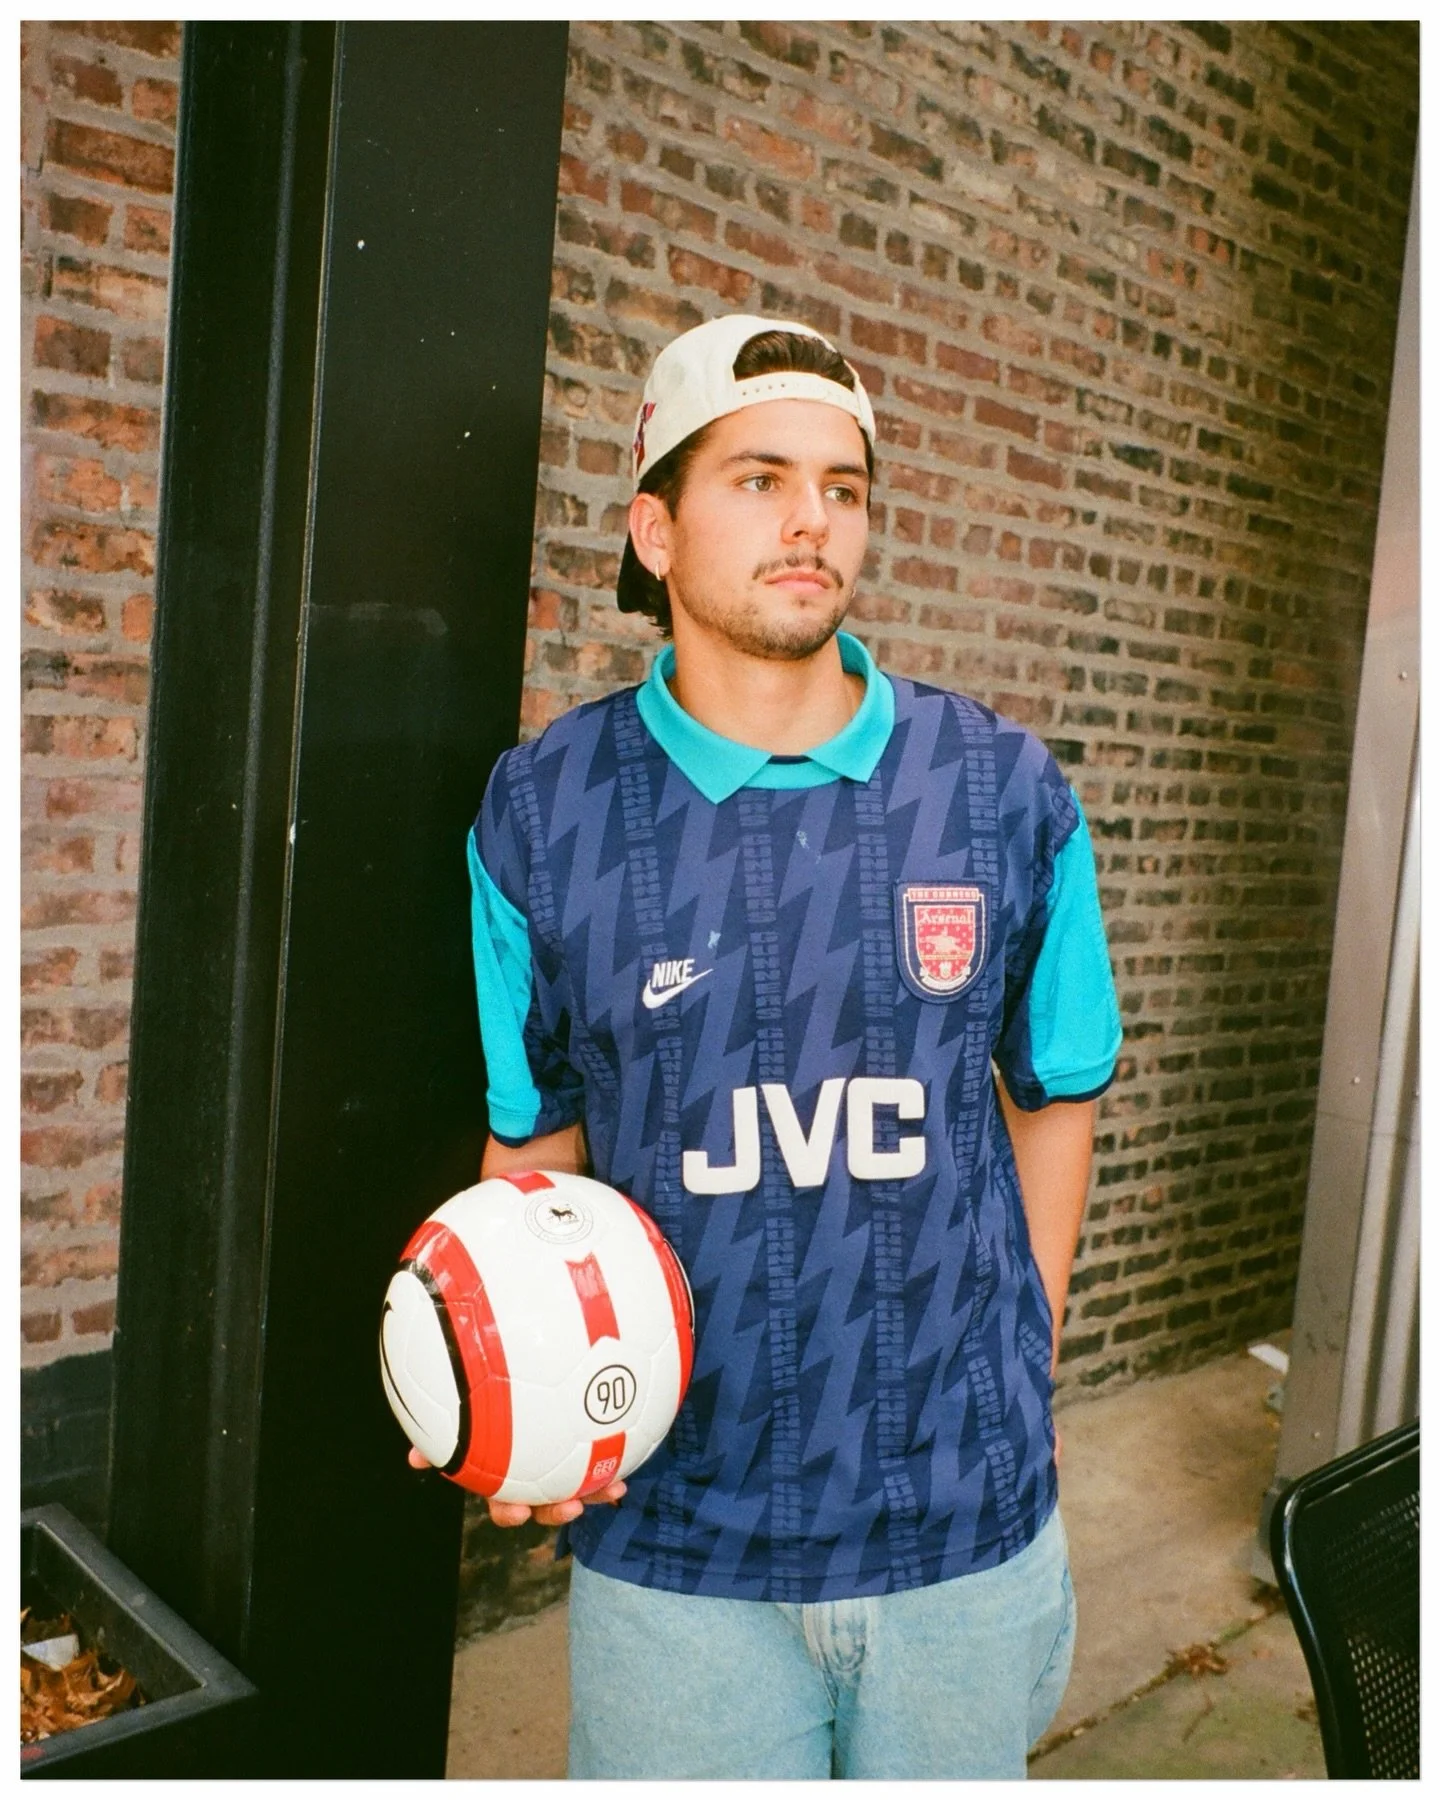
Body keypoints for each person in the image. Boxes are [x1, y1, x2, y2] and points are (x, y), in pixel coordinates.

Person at [439, 313, 1122, 1779]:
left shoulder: (1002, 791)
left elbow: (1056, 1093)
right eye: (759, 479)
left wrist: (1032, 1340)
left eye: (842, 486)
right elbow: (534, 1144)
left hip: (958, 1533)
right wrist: (524, 1388)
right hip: (679, 1547)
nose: (813, 517)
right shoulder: (545, 814)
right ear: (656, 529)